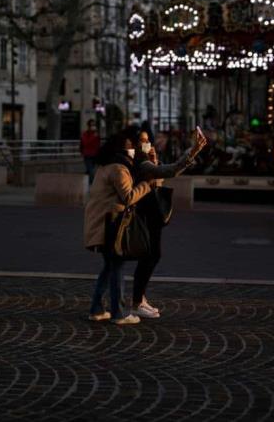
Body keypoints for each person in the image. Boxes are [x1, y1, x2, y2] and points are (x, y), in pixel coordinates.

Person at [130, 126, 207, 318]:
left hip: (151, 215)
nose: (146, 144)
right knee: (150, 256)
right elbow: (171, 170)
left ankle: (139, 298)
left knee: (151, 256)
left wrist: (156, 159)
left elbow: (164, 172)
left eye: (148, 140)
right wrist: (194, 150)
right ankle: (136, 301)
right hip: (145, 215)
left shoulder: (149, 161)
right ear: (134, 145)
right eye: (142, 141)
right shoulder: (141, 164)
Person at [84, 133, 151, 325]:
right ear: (123, 149)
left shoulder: (104, 166)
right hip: (111, 225)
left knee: (109, 267)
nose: (134, 150)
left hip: (102, 223)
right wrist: (147, 185)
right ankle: (119, 313)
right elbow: (128, 196)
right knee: (117, 267)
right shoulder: (119, 169)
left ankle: (97, 310)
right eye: (131, 146)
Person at [80, 119, 101, 184]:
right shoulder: (85, 134)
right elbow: (86, 143)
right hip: (87, 155)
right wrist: (93, 137)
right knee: (91, 171)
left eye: (94, 125)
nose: (93, 126)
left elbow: (98, 145)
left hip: (95, 155)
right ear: (89, 126)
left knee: (90, 171)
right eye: (92, 125)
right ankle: (91, 184)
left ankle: (85, 182)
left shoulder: (96, 134)